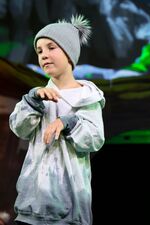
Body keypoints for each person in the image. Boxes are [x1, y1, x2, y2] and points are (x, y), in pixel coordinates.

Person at [9, 14, 105, 225]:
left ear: (69, 54)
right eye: (39, 50)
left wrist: (68, 122)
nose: (44, 55)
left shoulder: (87, 97)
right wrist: (33, 101)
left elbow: (95, 139)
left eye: (51, 47)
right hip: (31, 207)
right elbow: (19, 129)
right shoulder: (38, 95)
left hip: (69, 211)